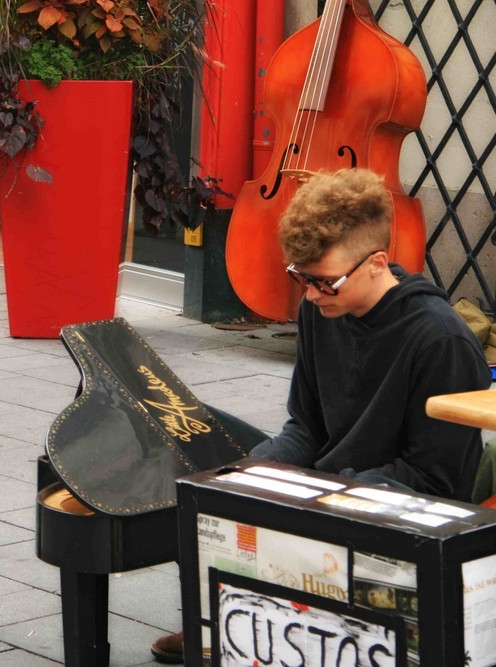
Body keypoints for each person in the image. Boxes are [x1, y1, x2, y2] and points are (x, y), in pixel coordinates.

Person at [150, 168, 490, 663]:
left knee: (299, 519)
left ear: (377, 262)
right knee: (221, 492)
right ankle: (215, 614)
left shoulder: (440, 339)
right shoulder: (321, 309)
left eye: (324, 282)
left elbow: (432, 477)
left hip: (412, 505)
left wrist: (327, 496)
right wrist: (246, 472)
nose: (310, 296)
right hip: (338, 483)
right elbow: (306, 426)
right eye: (301, 279)